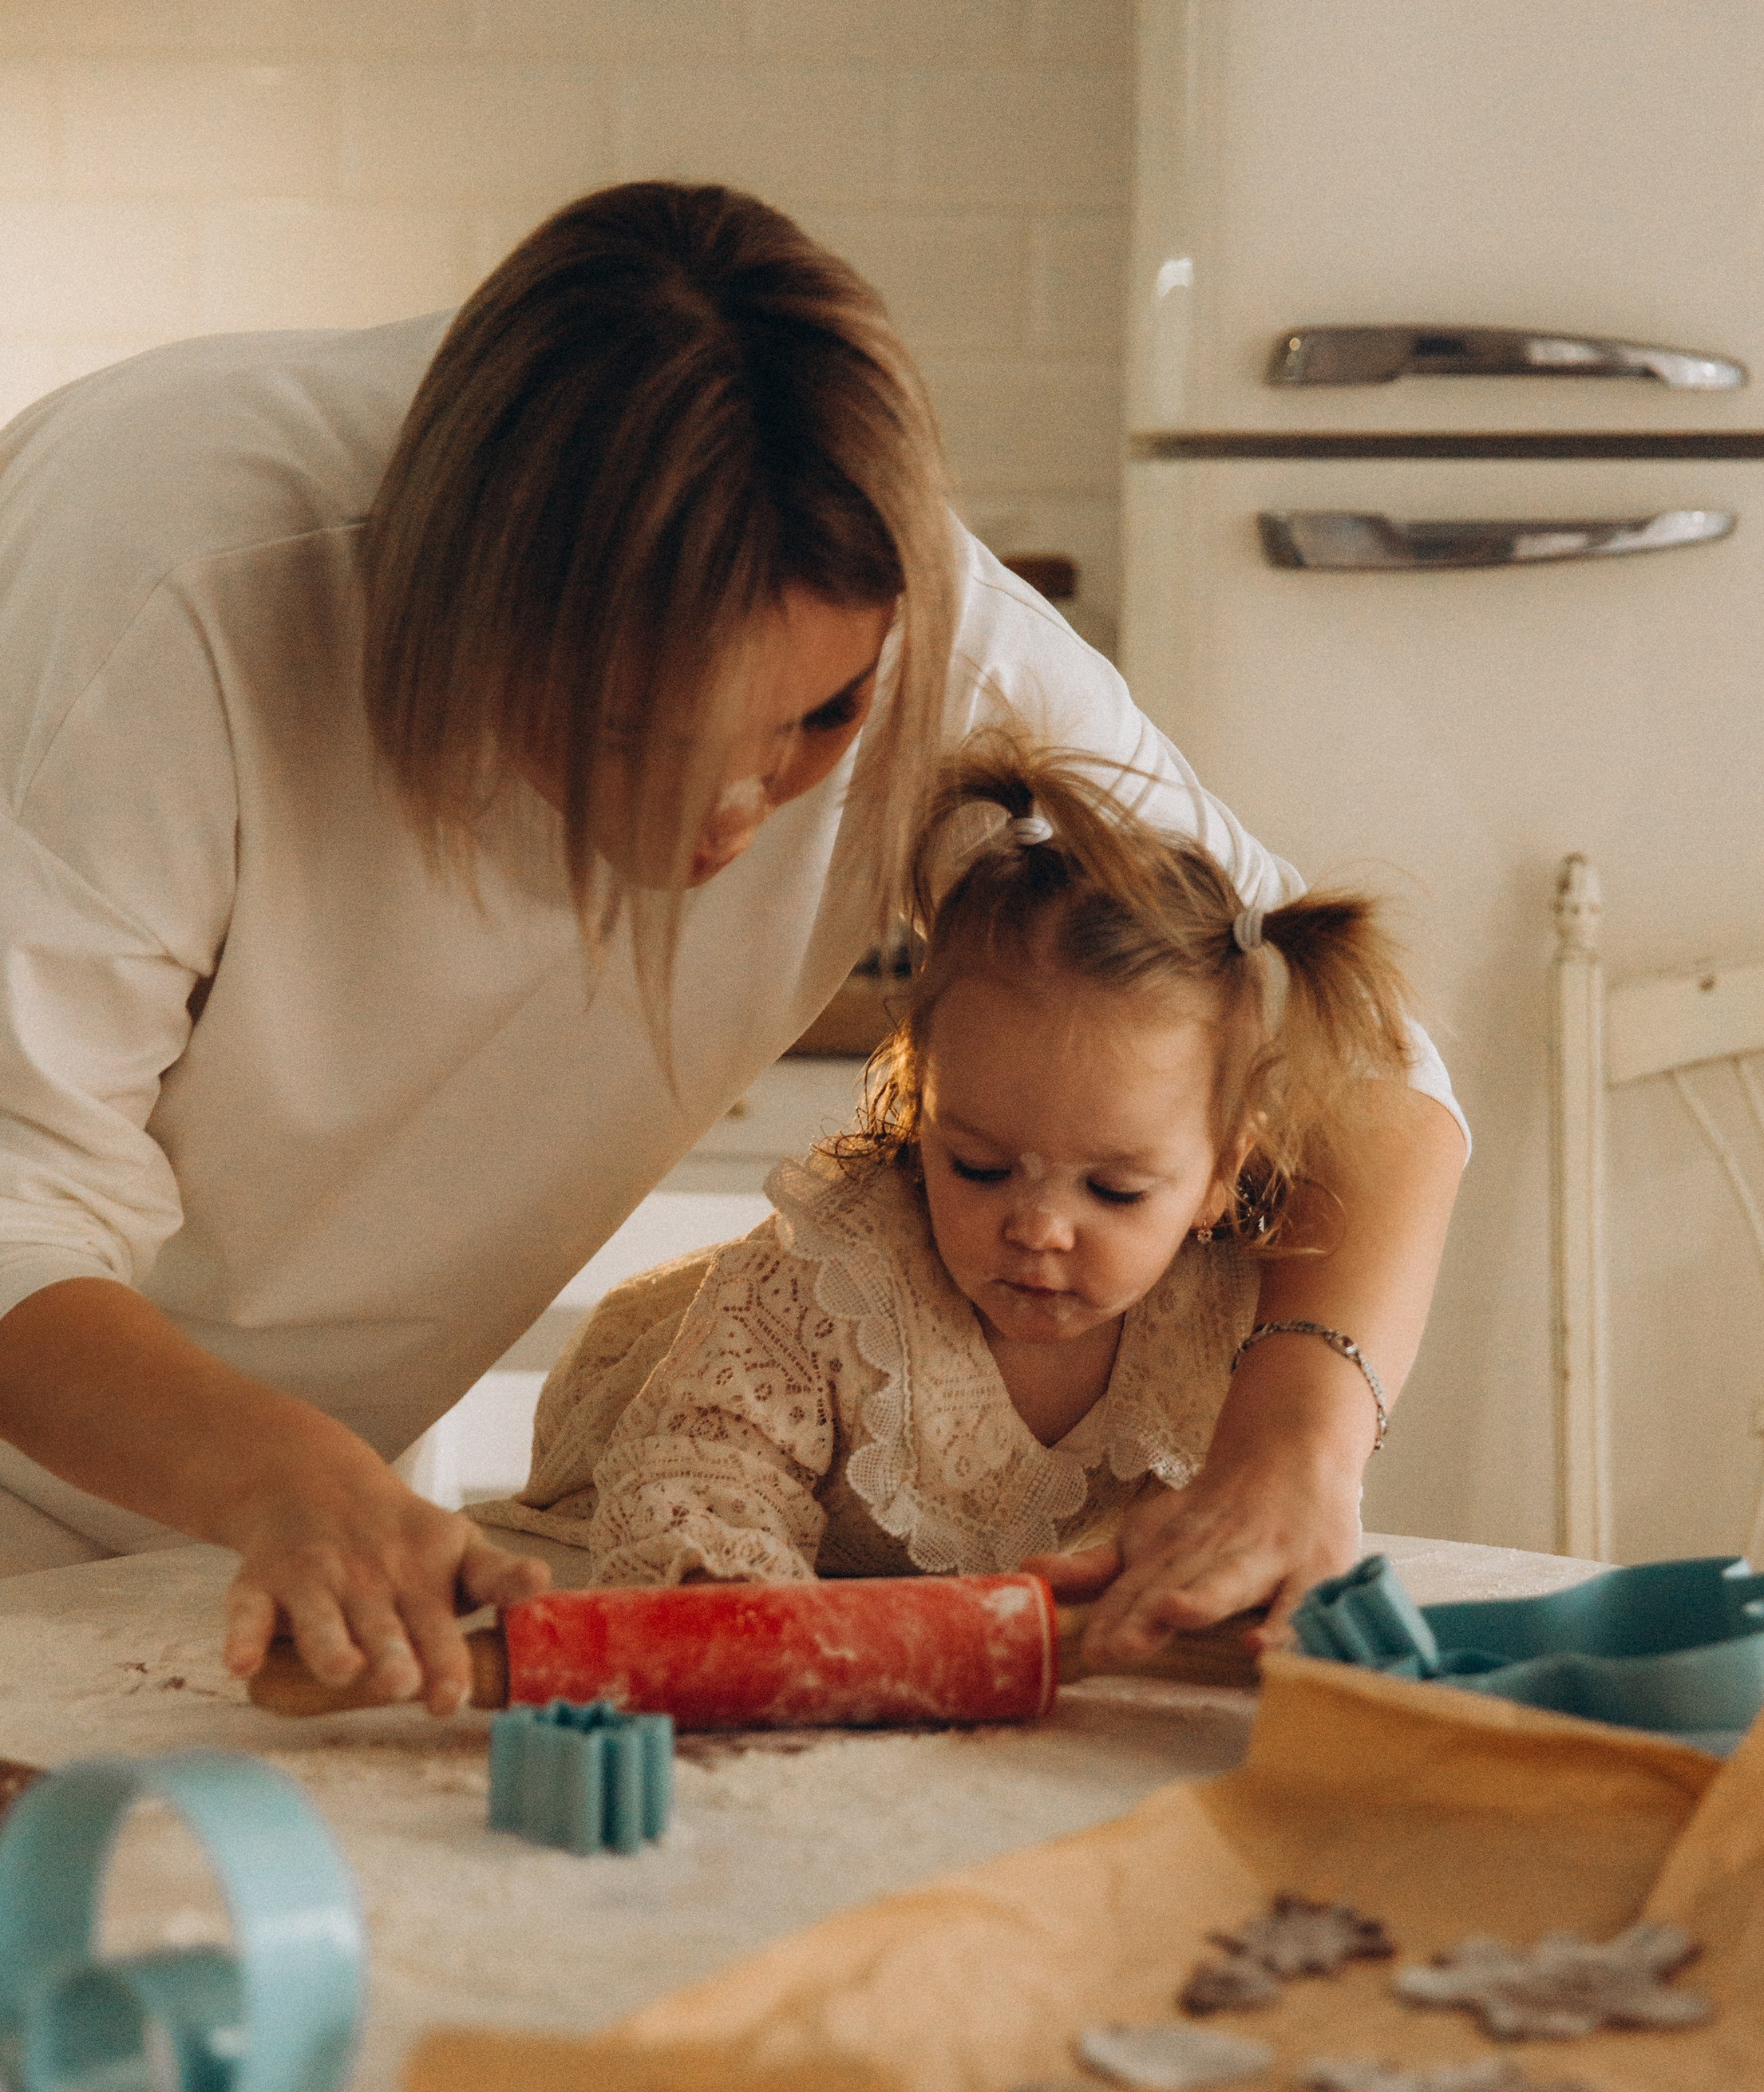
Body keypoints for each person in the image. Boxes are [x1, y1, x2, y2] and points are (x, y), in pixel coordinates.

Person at [0, 180, 1466, 1714]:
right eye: (637, 735)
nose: (734, 818)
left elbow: (1348, 1056)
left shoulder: (943, 641)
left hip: (322, 1500)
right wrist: (280, 1471)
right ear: (463, 616)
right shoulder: (160, 589)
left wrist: (1295, 1445)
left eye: (820, 719)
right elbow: (14, 1220)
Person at [494, 733, 1437, 1619]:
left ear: (1221, 1176)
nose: (1039, 1227)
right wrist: (771, 1629)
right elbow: (696, 1492)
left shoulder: (1232, 1313)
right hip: (619, 1531)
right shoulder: (817, 1288)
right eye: (979, 1167)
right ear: (919, 1113)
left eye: (1113, 1191)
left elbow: (1225, 1520)